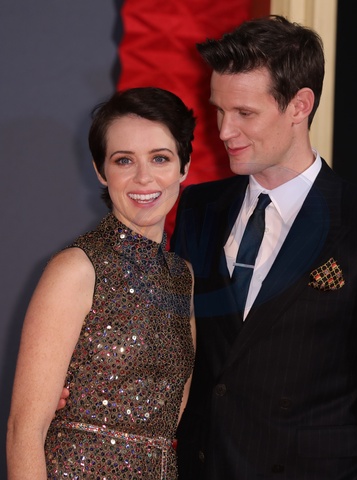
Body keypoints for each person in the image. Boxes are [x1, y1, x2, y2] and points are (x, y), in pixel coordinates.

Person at [169, 15, 357, 480]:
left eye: (245, 113)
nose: (224, 130)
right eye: (219, 110)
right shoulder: (198, 207)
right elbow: (175, 348)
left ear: (299, 105)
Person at [7, 87, 196, 480]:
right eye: (124, 160)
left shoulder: (182, 277)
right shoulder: (76, 269)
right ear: (100, 170)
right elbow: (24, 431)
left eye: (160, 158)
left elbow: (171, 415)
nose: (143, 177)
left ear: (184, 167)